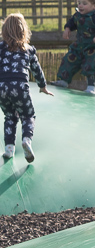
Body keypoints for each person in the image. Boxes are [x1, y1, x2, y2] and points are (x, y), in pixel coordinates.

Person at [1, 14, 52, 162]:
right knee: (28, 116)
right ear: (24, 31)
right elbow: (37, 70)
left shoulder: (0, 48)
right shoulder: (28, 49)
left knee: (9, 116)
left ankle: (9, 149)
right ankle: (26, 141)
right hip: (20, 86)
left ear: (4, 31)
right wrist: (42, 86)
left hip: (2, 87)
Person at [51, 0, 95, 94]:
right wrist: (67, 28)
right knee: (68, 60)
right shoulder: (79, 15)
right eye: (79, 3)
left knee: (91, 64)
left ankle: (90, 87)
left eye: (84, 3)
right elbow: (72, 21)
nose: (80, 6)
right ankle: (63, 81)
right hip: (80, 44)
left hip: (94, 46)